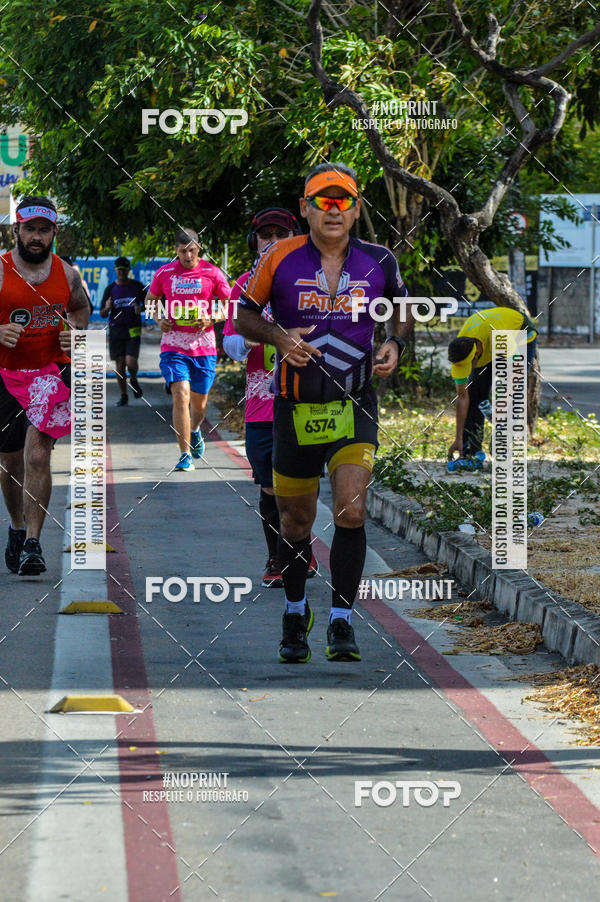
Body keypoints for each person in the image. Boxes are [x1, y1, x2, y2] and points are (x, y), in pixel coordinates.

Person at [236, 163, 412, 663]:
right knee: (295, 522)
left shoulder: (379, 260)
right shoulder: (279, 257)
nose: (334, 210)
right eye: (323, 201)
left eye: (343, 201)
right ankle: (296, 611)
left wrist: (394, 342)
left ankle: (341, 620)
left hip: (354, 402)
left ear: (356, 209)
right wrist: (277, 335)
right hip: (293, 407)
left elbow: (401, 304)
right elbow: (244, 314)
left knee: (351, 509)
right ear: (305, 209)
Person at [223, 208, 318, 588]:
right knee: (269, 486)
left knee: (299, 485)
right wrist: (258, 336)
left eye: (282, 233)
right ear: (255, 242)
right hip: (262, 403)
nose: (273, 241)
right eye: (266, 235)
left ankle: (301, 552)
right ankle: (278, 558)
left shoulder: (314, 282)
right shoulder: (243, 286)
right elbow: (230, 342)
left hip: (305, 401)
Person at [0, 195, 90, 575]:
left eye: (44, 230)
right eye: (29, 229)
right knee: (10, 461)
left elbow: (81, 310)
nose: (36, 237)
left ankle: (34, 545)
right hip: (5, 374)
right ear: (15, 230)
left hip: (51, 373)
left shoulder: (67, 273)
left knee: (38, 454)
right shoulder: (1, 271)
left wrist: (76, 331)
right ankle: (17, 528)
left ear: (55, 232)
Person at [145, 228, 230, 471]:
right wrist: (158, 319)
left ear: (199, 248)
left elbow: (229, 304)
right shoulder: (165, 273)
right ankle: (184, 455)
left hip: (204, 347)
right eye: (183, 251)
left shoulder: (211, 273)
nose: (188, 256)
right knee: (180, 394)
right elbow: (150, 301)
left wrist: (212, 318)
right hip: (174, 345)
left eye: (192, 250)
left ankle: (195, 431)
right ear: (176, 250)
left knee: (199, 404)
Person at [447, 306, 538, 461]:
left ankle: (503, 447)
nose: (469, 369)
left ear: (477, 353)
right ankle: (471, 450)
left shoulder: (500, 338)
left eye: (470, 365)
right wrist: (458, 438)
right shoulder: (460, 351)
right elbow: (462, 398)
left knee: (512, 394)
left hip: (520, 336)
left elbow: (514, 376)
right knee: (475, 392)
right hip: (488, 341)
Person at [99, 256, 145, 406]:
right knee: (119, 366)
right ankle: (124, 395)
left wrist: (142, 308)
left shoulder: (137, 286)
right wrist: (107, 307)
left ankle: (133, 378)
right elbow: (102, 313)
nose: (122, 273)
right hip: (116, 329)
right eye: (119, 270)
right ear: (115, 270)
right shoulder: (110, 289)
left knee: (130, 362)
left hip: (133, 328)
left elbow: (151, 302)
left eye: (124, 271)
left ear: (129, 271)